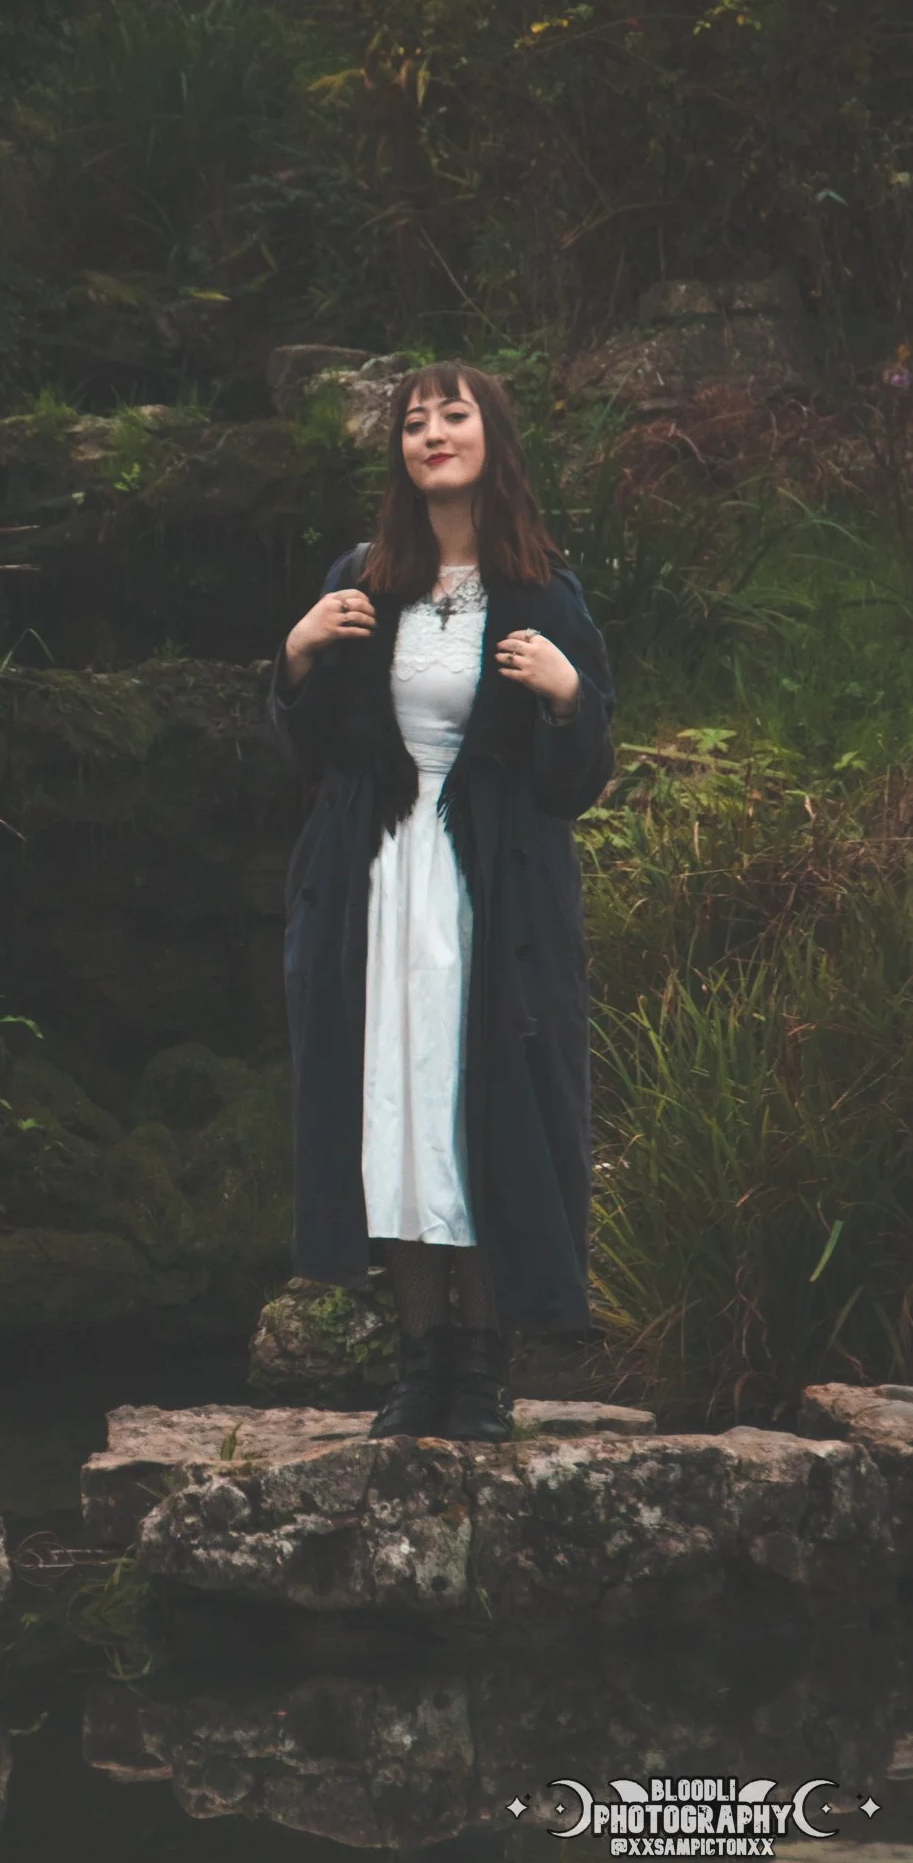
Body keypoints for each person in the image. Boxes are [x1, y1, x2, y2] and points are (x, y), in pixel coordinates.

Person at [267, 360, 615, 1441]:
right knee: (396, 1110)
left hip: (492, 893)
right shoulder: (363, 579)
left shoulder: (544, 592)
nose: (431, 433)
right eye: (413, 421)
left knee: (484, 1108)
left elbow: (575, 781)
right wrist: (296, 657)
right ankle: (418, 1364)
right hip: (373, 882)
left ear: (490, 438)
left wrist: (568, 697)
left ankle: (482, 1369)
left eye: (452, 415)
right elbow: (313, 750)